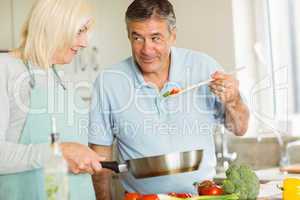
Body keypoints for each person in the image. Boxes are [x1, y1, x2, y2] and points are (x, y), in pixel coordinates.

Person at [89, 0, 249, 198]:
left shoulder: (204, 67)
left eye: (156, 38)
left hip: (200, 195)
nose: (146, 50)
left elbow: (240, 128)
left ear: (173, 35)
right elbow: (99, 159)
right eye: (137, 38)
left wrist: (233, 100)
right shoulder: (109, 82)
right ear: (128, 35)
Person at [0, 0, 104, 199]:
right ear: (55, 25)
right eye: (79, 31)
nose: (84, 42)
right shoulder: (5, 69)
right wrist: (57, 152)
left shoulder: (61, 77)